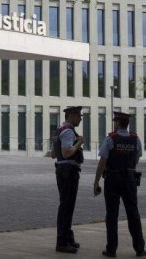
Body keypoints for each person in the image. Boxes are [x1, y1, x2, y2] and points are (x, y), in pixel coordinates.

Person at [93, 111, 146, 257]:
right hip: (130, 179)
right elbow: (136, 159)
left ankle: (111, 250)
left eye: (114, 121)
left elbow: (102, 162)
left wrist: (96, 181)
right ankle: (140, 249)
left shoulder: (111, 139)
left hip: (113, 179)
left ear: (117, 123)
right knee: (133, 214)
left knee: (111, 215)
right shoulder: (135, 139)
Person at [50, 106, 84, 253]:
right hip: (69, 172)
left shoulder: (58, 131)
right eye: (78, 115)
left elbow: (53, 154)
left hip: (61, 171)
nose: (80, 118)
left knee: (66, 205)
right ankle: (62, 242)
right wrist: (79, 143)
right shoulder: (69, 132)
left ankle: (68, 237)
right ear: (70, 115)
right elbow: (67, 152)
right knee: (67, 207)